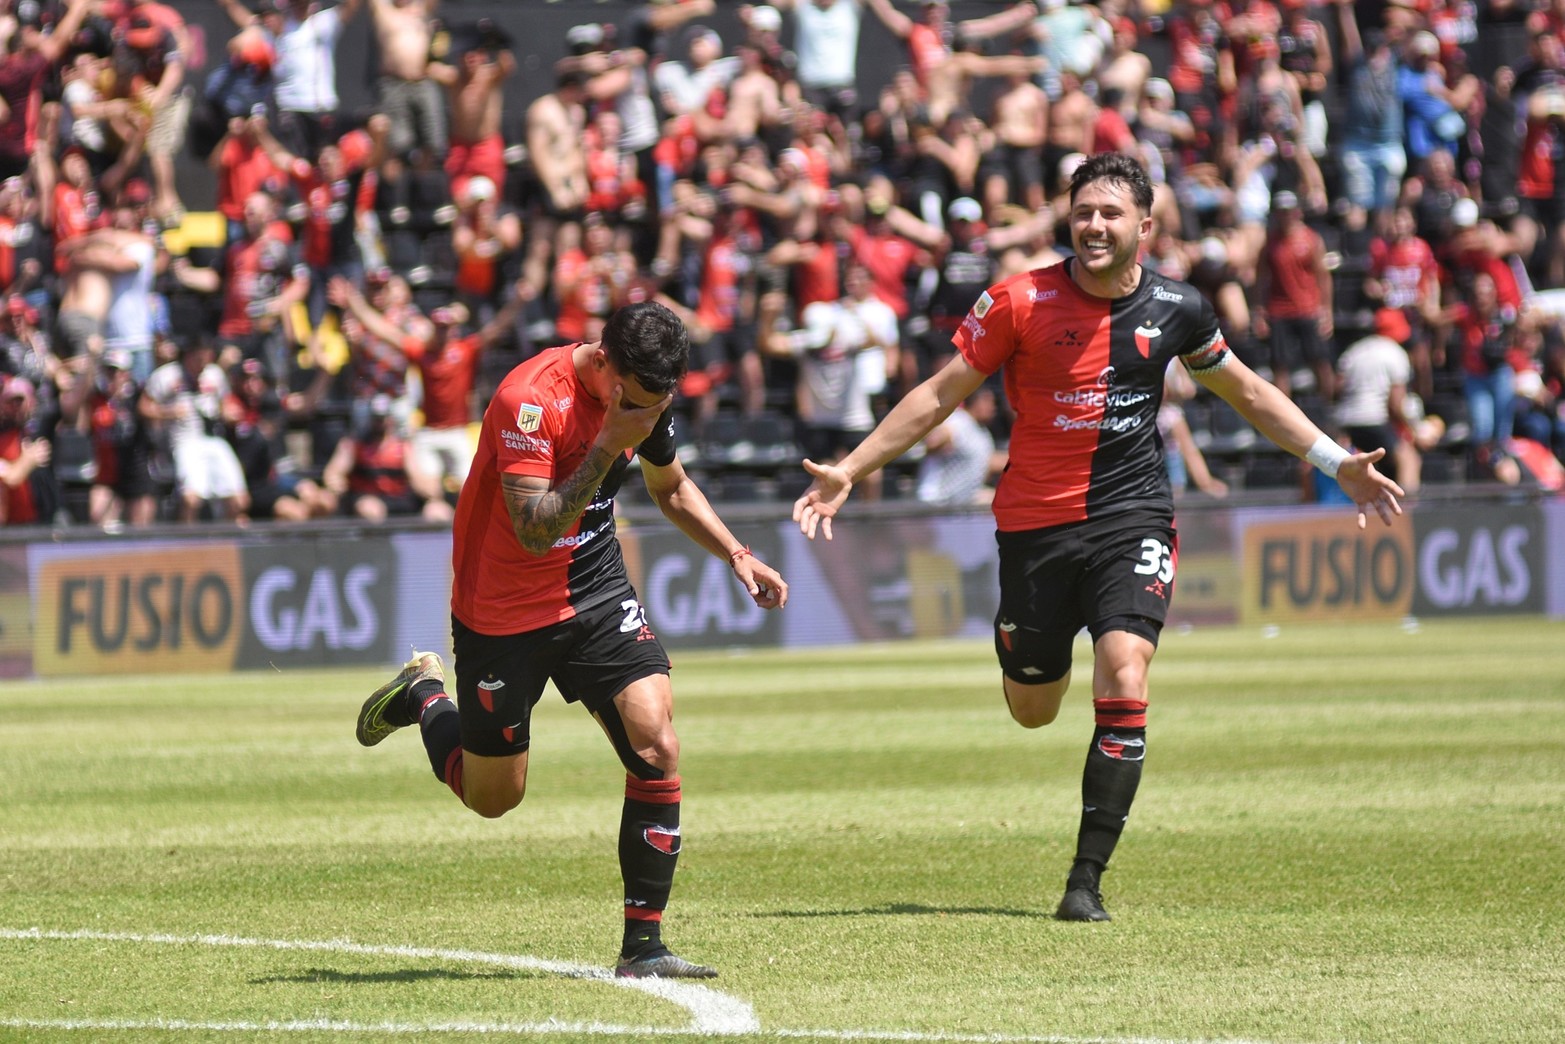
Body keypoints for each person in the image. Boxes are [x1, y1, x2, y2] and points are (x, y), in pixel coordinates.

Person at [792, 154, 1404, 922]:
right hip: (1034, 528)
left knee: (1124, 669)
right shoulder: (1016, 301)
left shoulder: (1178, 308)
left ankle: (1084, 882)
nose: (1093, 225)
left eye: (1110, 213)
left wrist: (1333, 460)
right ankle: (1025, 652)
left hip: (1132, 516)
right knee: (1032, 708)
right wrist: (851, 467)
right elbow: (940, 392)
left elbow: (1245, 389)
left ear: (1143, 227)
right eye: (1083, 212)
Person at [354, 301, 788, 978]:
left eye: (658, 403)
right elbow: (533, 529)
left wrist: (736, 553)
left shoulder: (646, 398)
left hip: (593, 588)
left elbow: (668, 487)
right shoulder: (528, 401)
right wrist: (609, 441)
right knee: (494, 798)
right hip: (501, 608)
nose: (650, 414)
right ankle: (423, 698)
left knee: (657, 740)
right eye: (640, 402)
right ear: (607, 369)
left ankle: (642, 946)